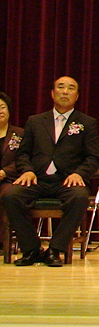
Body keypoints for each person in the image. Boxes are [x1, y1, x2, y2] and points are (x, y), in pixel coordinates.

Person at [2, 76, 99, 267]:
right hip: (37, 179)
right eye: (61, 87)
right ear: (52, 93)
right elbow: (23, 153)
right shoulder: (35, 121)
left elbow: (92, 157)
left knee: (79, 197)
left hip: (67, 180)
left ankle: (55, 249)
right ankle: (31, 249)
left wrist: (79, 173)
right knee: (11, 196)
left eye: (71, 88)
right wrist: (27, 170)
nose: (65, 92)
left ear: (77, 96)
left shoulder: (87, 123)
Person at [0, 91, 25, 253]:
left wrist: (3, 172)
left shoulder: (20, 134)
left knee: (7, 194)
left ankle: (3, 242)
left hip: (11, 179)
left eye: (2, 107)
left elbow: (24, 160)